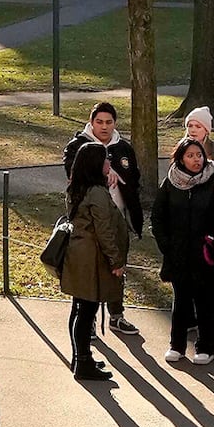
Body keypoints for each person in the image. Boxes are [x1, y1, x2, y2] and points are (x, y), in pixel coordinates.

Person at [64, 103, 149, 340]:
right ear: (91, 123)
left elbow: (134, 179)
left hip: (118, 217)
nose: (104, 127)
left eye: (109, 122)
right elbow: (73, 176)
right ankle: (86, 321)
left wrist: (118, 176)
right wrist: (101, 172)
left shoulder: (123, 148)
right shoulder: (78, 146)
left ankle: (116, 315)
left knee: (117, 266)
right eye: (99, 122)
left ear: (115, 123)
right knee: (89, 273)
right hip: (91, 224)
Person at [152, 135, 214, 365]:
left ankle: (205, 347)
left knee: (205, 301)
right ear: (180, 159)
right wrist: (166, 245)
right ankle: (176, 345)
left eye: (199, 155)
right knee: (181, 301)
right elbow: (158, 216)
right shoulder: (170, 183)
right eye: (190, 156)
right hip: (178, 253)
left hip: (204, 255)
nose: (196, 160)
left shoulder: (213, 183)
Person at [57, 143, 135, 383]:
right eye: (105, 160)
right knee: (87, 311)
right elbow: (104, 230)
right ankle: (83, 362)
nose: (108, 164)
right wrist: (116, 260)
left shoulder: (77, 188)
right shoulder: (97, 193)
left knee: (79, 309)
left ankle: (80, 357)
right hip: (91, 259)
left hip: (79, 257)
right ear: (95, 164)